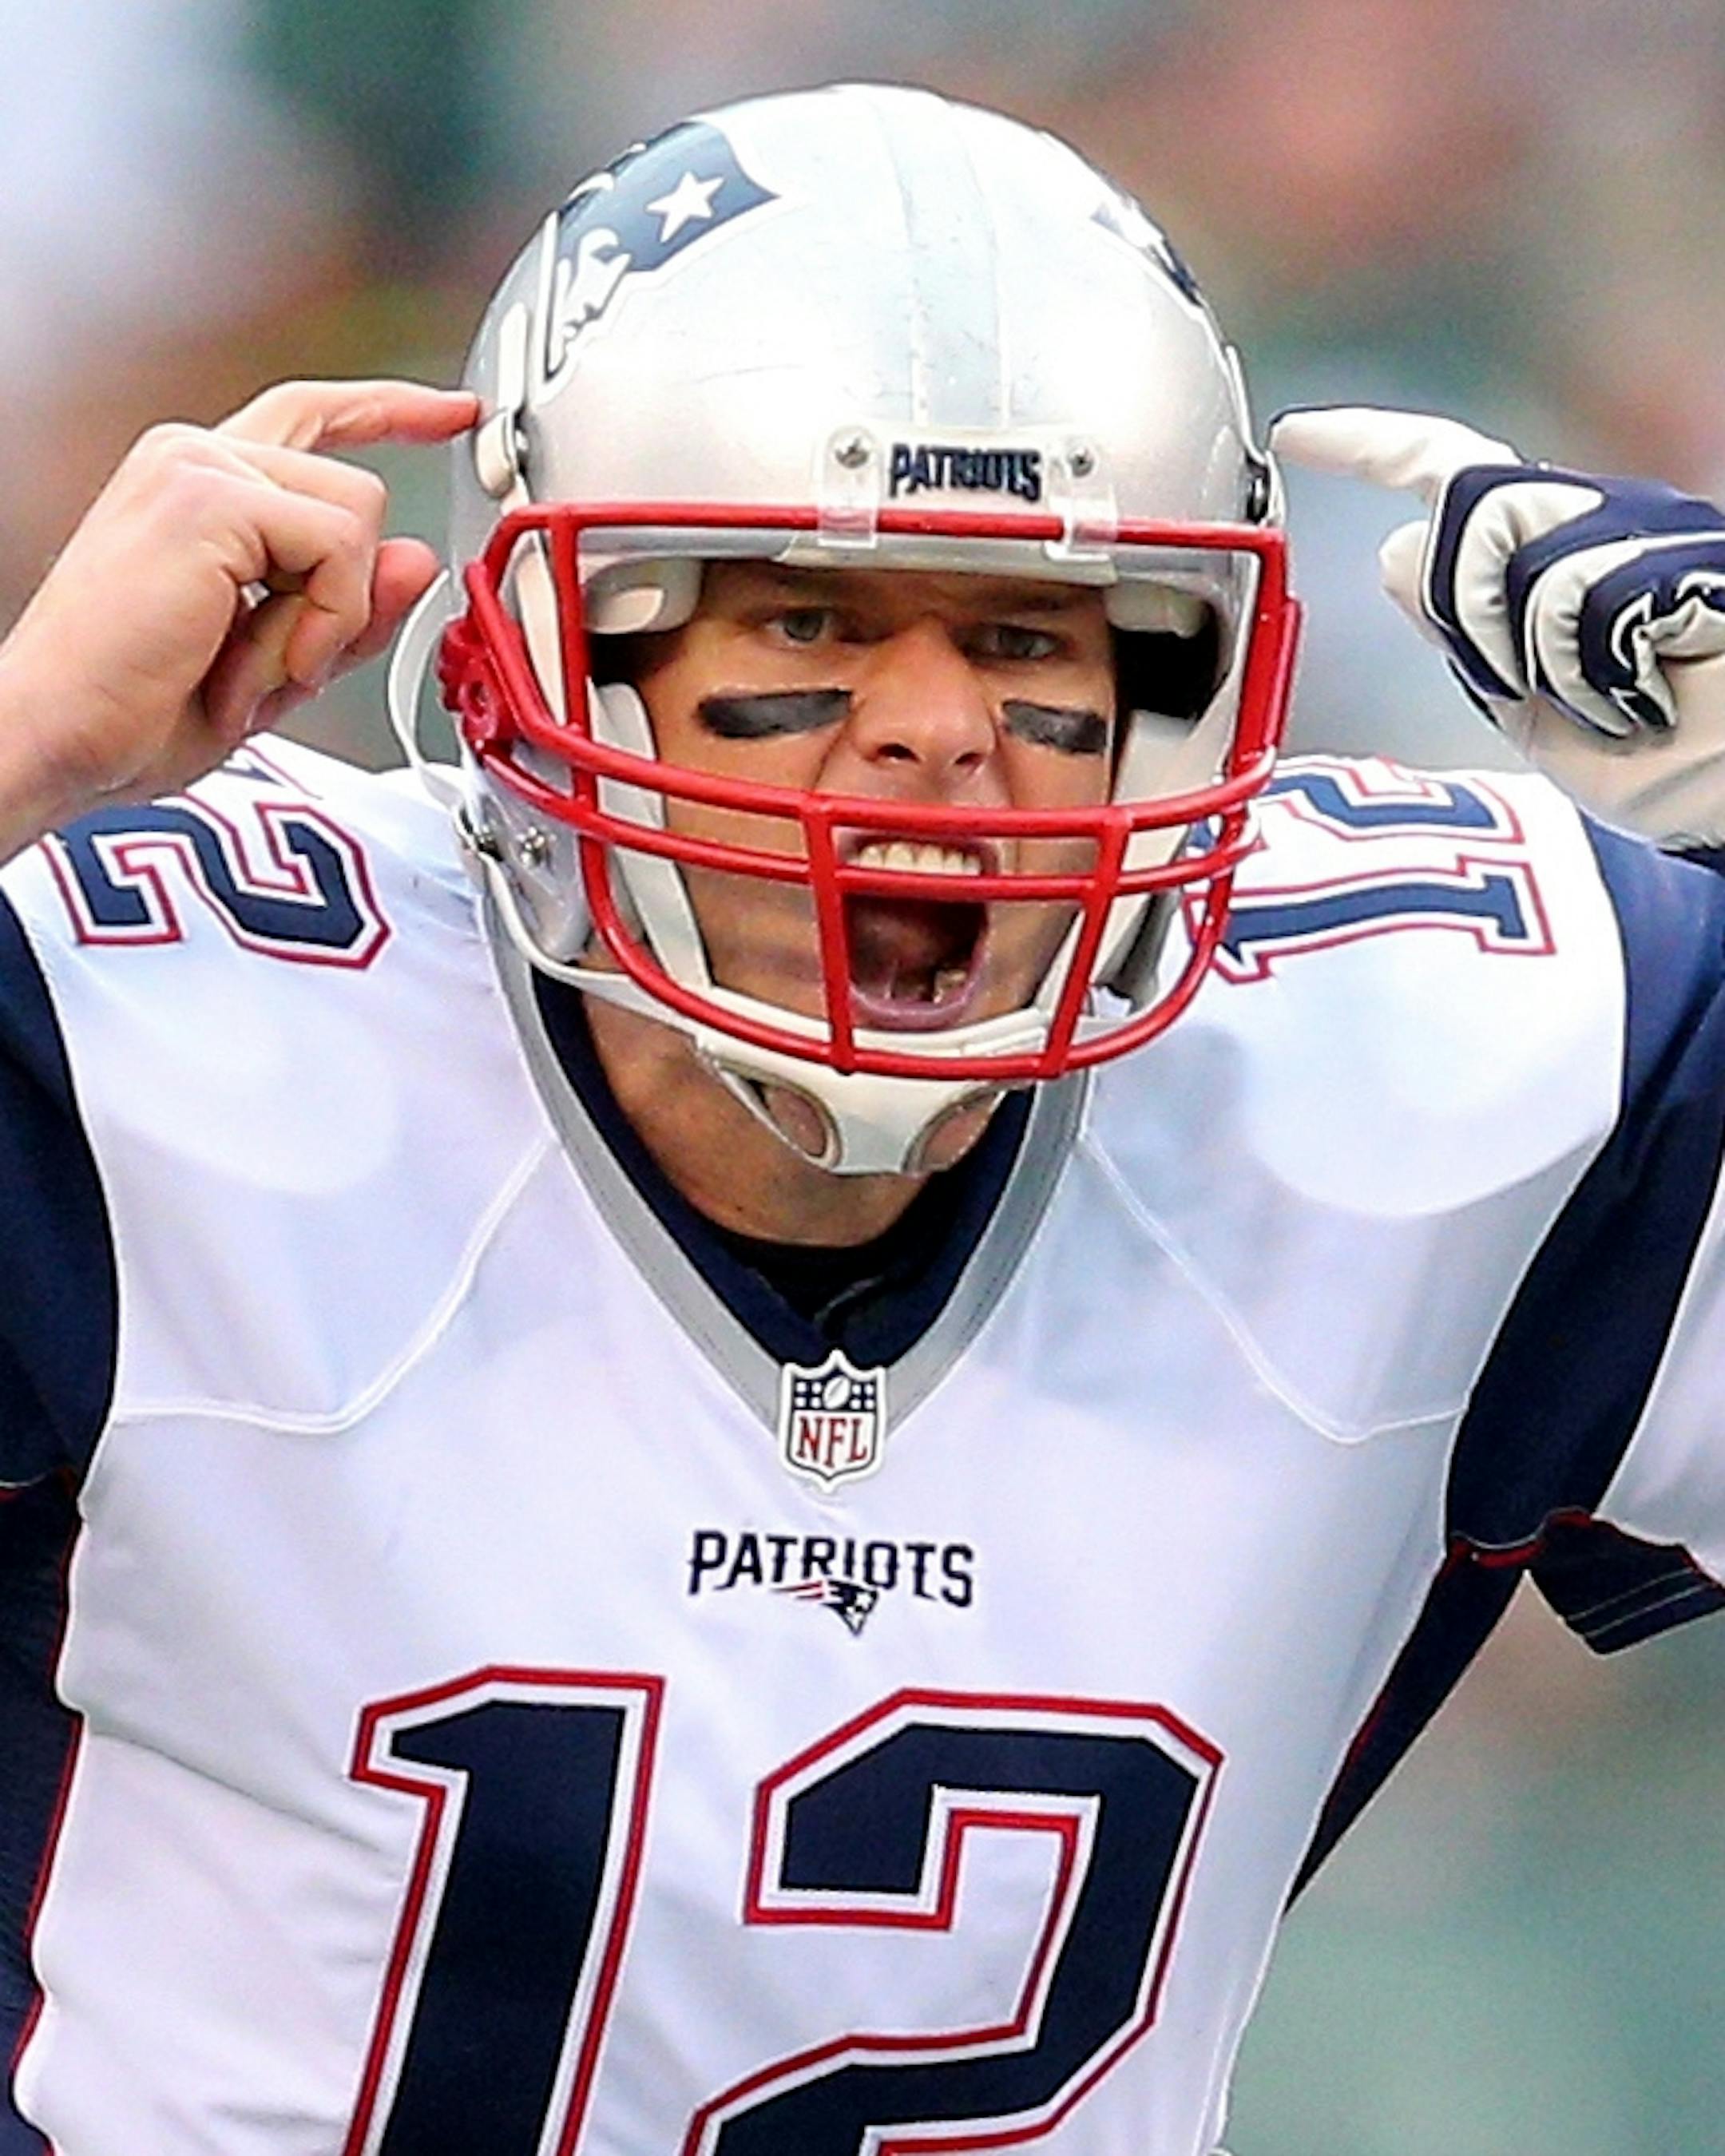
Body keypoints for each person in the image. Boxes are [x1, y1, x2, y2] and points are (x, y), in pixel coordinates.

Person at [5, 80, 1725, 2156]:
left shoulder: (1443, 1047)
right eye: (807, 619)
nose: (935, 729)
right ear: (531, 663)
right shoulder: (144, 1022)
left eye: (1034, 633)